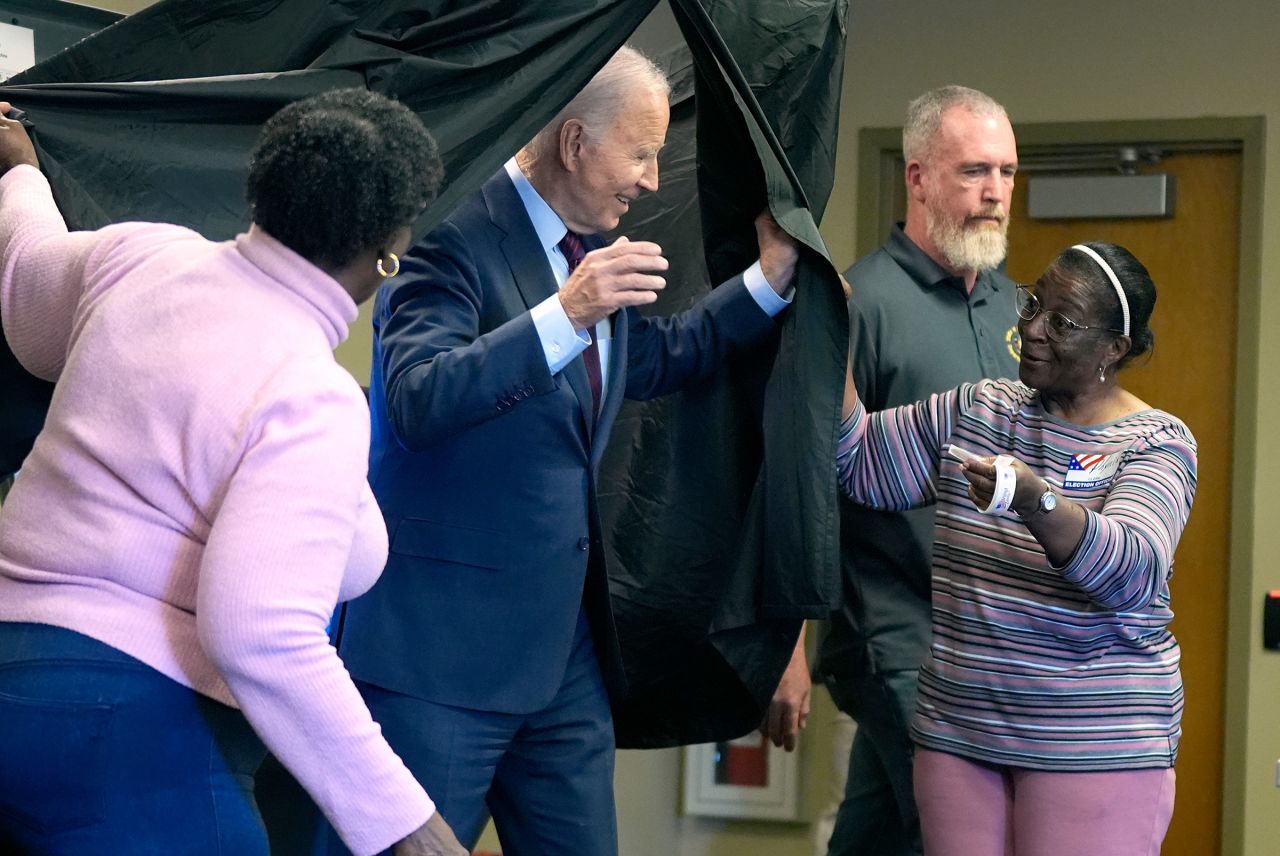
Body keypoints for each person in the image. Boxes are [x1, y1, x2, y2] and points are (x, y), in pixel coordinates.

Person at [332, 45, 798, 855]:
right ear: (575, 143)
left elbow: (653, 358)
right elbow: (414, 400)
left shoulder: (587, 252)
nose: (652, 179)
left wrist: (768, 281)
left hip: (560, 664)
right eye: (642, 154)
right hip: (438, 665)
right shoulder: (451, 230)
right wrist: (565, 315)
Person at [0, 91, 468, 856]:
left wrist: (19, 172)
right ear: (388, 251)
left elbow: (23, 292)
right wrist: (410, 825)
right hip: (126, 731)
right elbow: (260, 632)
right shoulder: (309, 394)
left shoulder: (139, 257)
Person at [836, 241, 1195, 855]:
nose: (1030, 329)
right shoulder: (980, 409)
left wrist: (1038, 500)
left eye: (1062, 322)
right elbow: (859, 461)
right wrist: (830, 333)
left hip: (1092, 747)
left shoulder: (1155, 443)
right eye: (1033, 305)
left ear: (1115, 349)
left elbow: (1130, 571)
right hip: (960, 737)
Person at [800, 84, 1021, 856]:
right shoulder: (861, 306)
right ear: (919, 177)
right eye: (972, 172)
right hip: (894, 631)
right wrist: (787, 650)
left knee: (880, 832)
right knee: (965, 831)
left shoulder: (1018, 311)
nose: (994, 193)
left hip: (991, 634)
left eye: (1006, 173)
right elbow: (805, 490)